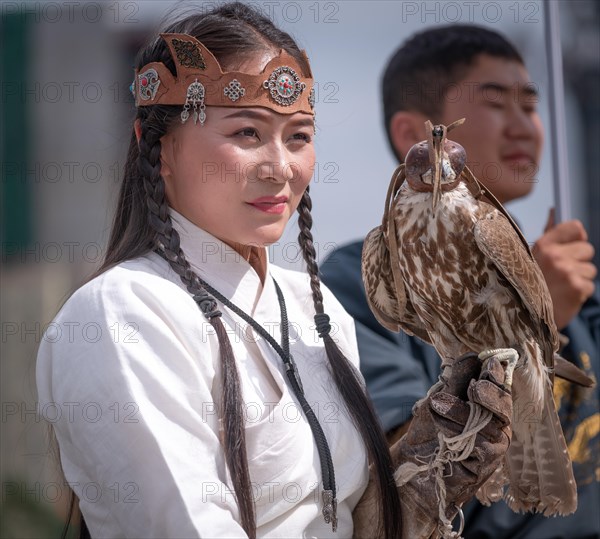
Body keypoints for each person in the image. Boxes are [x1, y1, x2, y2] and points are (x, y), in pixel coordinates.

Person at [35, 6, 517, 539]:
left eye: (298, 136)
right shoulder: (124, 313)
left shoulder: (317, 308)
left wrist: (411, 496)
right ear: (159, 146)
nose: (280, 166)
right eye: (246, 132)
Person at [321, 24, 600, 539]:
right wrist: (540, 311)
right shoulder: (351, 282)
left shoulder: (588, 283)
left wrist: (538, 311)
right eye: (496, 104)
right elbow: (397, 468)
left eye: (531, 105)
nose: (524, 127)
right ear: (415, 134)